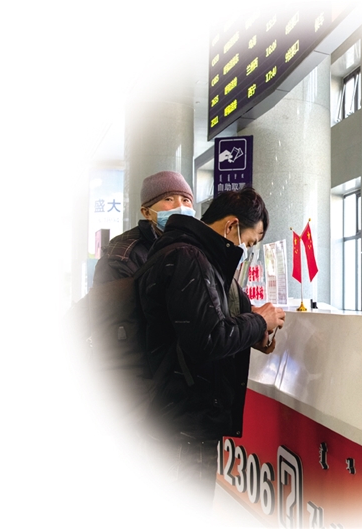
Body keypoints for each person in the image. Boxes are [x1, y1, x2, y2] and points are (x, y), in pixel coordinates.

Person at [136, 187, 286, 518]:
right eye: (249, 243)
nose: (246, 251)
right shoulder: (189, 258)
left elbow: (199, 327)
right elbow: (207, 340)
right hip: (182, 428)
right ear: (232, 226)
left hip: (180, 421)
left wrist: (252, 333)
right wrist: (258, 322)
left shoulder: (194, 256)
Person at [93, 170, 196, 285]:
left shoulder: (197, 246)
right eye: (169, 199)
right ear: (147, 212)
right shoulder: (121, 256)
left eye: (185, 200)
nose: (180, 207)